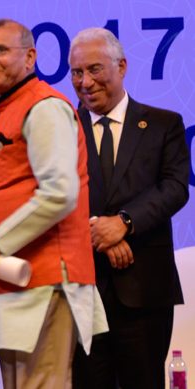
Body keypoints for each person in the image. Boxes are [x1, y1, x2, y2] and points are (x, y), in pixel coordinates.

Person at [0, 19, 107, 389]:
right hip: (11, 278)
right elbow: (7, 200)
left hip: (42, 280)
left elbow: (59, 193)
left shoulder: (44, 107)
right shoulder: (4, 111)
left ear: (30, 57)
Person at [68, 28, 189, 389]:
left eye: (94, 69)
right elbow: (53, 195)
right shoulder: (61, 129)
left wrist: (124, 222)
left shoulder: (163, 124)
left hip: (144, 288)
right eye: (76, 72)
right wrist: (99, 231)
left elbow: (174, 187)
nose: (85, 82)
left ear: (121, 67)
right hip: (82, 289)